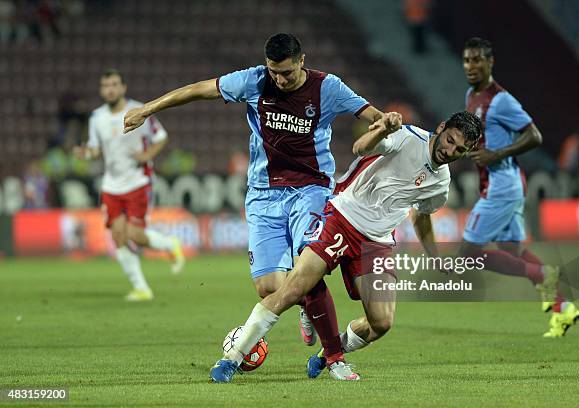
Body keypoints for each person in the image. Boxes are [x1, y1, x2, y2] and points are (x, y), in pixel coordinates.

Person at [124, 33, 385, 346]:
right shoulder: (254, 81)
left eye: (287, 72)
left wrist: (385, 124)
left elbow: (372, 115)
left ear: (302, 61)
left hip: (311, 187)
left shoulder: (327, 87)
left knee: (309, 262)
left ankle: (331, 352)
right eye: (274, 71)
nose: (280, 79)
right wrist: (147, 109)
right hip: (263, 191)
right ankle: (306, 304)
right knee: (267, 287)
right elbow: (198, 90)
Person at [209, 110, 483, 383]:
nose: (450, 151)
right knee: (293, 289)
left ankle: (329, 352)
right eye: (450, 140)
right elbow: (360, 147)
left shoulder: (441, 183)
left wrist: (435, 257)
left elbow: (421, 216)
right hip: (342, 217)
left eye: (460, 149)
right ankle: (231, 359)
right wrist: (383, 130)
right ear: (442, 126)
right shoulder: (406, 137)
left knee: (381, 323)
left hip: (376, 242)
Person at [460, 37, 579, 337]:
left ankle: (543, 274)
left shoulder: (501, 100)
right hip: (500, 183)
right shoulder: (471, 96)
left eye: (477, 60)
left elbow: (534, 135)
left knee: (467, 254)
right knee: (512, 248)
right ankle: (563, 309)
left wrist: (495, 154)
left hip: (502, 184)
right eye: (466, 60)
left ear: (490, 62)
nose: (471, 66)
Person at [74, 68, 185, 302]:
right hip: (111, 185)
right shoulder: (97, 118)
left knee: (134, 234)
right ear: (102, 90)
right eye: (106, 86)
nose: (110, 89)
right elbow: (95, 150)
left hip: (138, 181)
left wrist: (147, 155)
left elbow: (161, 136)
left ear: (123, 87)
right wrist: (86, 153)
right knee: (118, 236)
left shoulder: (139, 110)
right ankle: (141, 288)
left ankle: (168, 244)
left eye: (114, 84)